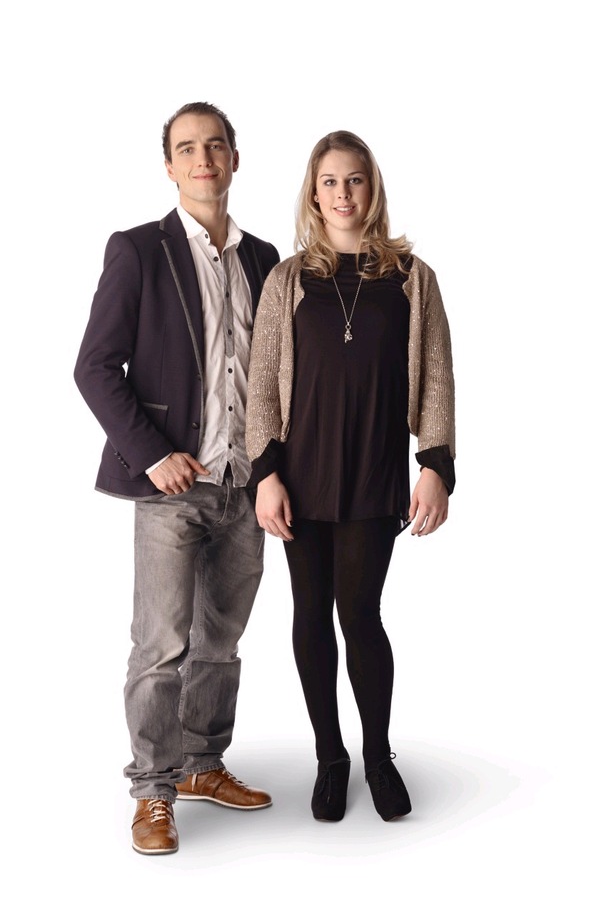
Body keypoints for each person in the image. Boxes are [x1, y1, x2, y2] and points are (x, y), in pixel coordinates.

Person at [74, 102, 280, 855]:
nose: (203, 159)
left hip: (245, 485)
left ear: (234, 158)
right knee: (160, 645)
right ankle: (152, 792)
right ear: (169, 165)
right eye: (187, 148)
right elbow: (95, 367)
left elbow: (276, 375)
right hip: (170, 487)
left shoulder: (265, 260)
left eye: (215, 145)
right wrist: (152, 453)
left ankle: (201, 764)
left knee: (220, 641)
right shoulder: (138, 250)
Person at [245, 130, 455, 823]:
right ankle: (330, 757)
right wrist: (265, 475)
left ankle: (378, 755)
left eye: (355, 180)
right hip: (299, 476)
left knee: (360, 614)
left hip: (373, 471)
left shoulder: (412, 278)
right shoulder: (286, 280)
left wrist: (435, 464)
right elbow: (261, 388)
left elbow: (436, 377)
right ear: (314, 193)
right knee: (310, 614)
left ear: (373, 188)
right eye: (330, 181)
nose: (343, 194)